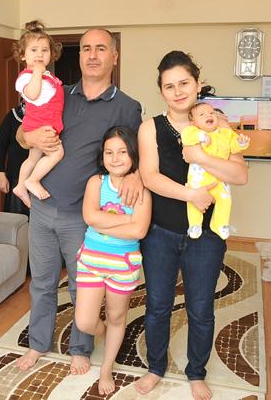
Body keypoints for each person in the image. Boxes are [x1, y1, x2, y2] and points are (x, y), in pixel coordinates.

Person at [14, 28, 143, 375]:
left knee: (81, 286)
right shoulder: (57, 91)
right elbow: (22, 131)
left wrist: (135, 175)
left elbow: (136, 153)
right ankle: (38, 343)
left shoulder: (127, 106)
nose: (92, 55)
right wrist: (30, 137)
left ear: (114, 56)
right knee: (41, 283)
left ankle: (80, 348)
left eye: (101, 48)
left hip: (82, 215)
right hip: (42, 207)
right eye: (86, 48)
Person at [134, 51, 248, 400]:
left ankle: (196, 372)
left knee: (201, 308)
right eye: (169, 86)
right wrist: (191, 195)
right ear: (161, 91)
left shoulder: (218, 123)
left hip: (207, 236)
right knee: (158, 305)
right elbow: (149, 176)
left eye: (184, 83)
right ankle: (155, 368)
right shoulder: (151, 127)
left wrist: (199, 157)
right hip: (160, 233)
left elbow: (239, 175)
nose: (178, 91)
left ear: (198, 84)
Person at [74, 126, 151, 395]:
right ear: (102, 155)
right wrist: (127, 219)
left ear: (133, 155)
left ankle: (106, 368)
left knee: (116, 316)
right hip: (92, 260)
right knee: (85, 322)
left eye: (122, 152)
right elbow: (90, 217)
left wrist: (104, 222)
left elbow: (139, 231)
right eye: (109, 152)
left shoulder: (142, 190)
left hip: (123, 264)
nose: (115, 158)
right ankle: (108, 335)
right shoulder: (96, 183)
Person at [11, 20, 64, 208]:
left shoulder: (47, 76)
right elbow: (32, 94)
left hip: (44, 122)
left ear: (52, 54)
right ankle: (33, 180)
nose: (40, 54)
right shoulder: (26, 77)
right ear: (23, 55)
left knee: (33, 158)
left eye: (44, 50)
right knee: (57, 153)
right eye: (33, 50)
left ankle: (20, 186)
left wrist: (42, 74)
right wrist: (37, 73)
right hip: (40, 124)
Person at [181, 102, 249, 239]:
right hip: (199, 177)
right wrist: (201, 136)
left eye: (211, 113)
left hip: (219, 179)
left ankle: (220, 224)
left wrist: (241, 143)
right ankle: (194, 224)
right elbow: (187, 137)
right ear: (194, 122)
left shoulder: (225, 133)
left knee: (225, 200)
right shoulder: (192, 131)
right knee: (193, 202)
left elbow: (234, 146)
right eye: (202, 114)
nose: (208, 115)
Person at [0, 101, 29, 216]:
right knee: (16, 217)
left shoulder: (48, 114)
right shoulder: (12, 116)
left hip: (42, 178)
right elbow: (0, 146)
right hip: (16, 178)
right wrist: (0, 174)